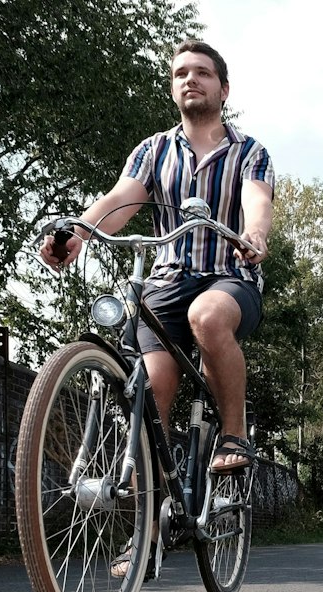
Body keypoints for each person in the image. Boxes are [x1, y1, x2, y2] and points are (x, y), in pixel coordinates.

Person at [39, 38, 274, 476]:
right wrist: (79, 232)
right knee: (150, 388)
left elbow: (257, 202)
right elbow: (121, 199)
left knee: (207, 316)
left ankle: (234, 432)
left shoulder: (250, 152)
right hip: (166, 284)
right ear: (172, 89)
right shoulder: (154, 151)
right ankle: (151, 524)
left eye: (202, 72)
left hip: (228, 276)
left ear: (224, 89)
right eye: (181, 73)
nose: (191, 79)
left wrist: (255, 235)